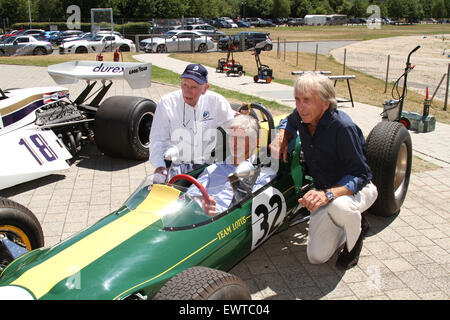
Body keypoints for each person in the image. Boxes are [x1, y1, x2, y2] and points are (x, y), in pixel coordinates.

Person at [270, 72, 378, 270]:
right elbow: (290, 120)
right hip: (324, 191)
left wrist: (328, 194)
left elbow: (361, 174)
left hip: (357, 189)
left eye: (307, 100)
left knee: (341, 208)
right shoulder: (303, 117)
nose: (300, 107)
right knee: (317, 257)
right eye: (297, 100)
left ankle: (355, 239)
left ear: (326, 103)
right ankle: (347, 224)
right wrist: (282, 136)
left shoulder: (343, 127)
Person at [149, 63, 236, 182]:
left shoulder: (216, 101)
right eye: (185, 85)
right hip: (172, 166)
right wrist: (159, 166)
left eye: (194, 87)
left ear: (205, 89)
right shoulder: (166, 103)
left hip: (203, 166)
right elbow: (157, 139)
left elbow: (235, 127)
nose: (187, 91)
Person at [187, 114, 276, 216]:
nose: (234, 143)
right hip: (198, 219)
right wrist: (201, 201)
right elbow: (189, 196)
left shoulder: (263, 175)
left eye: (240, 138)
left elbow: (254, 209)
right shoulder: (213, 169)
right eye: (232, 137)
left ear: (254, 142)